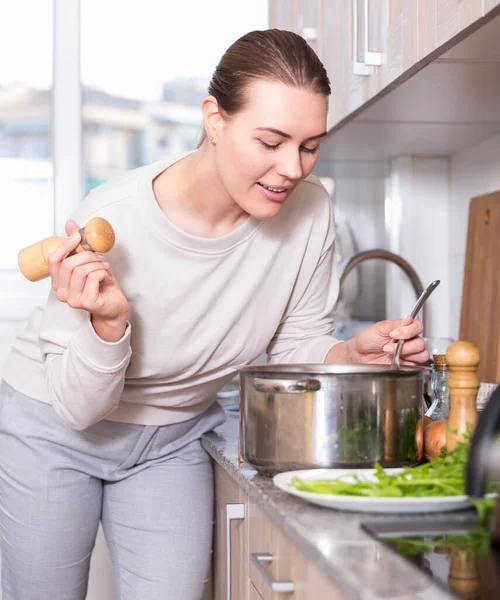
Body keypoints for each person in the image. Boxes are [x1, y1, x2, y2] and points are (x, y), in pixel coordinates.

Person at [0, 29, 428, 600]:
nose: (292, 168)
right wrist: (108, 325)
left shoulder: (310, 212)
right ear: (214, 119)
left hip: (171, 439)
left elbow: (297, 340)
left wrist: (351, 355)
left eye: (309, 145)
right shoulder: (113, 218)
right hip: (53, 425)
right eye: (271, 141)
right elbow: (80, 407)